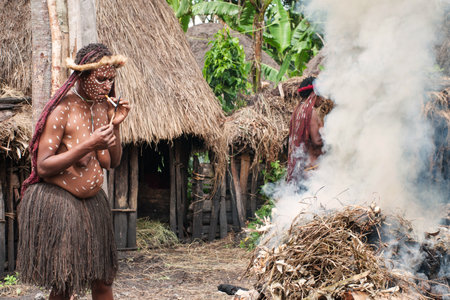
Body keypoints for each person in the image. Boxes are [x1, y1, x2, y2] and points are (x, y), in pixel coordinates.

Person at [18, 43, 130, 300]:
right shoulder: (63, 109)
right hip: (61, 204)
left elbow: (111, 162)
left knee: (103, 281)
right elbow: (43, 166)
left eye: (111, 80)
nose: (107, 86)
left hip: (93, 206)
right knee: (64, 283)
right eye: (100, 79)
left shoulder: (103, 109)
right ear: (81, 76)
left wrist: (117, 126)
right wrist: (88, 144)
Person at [286, 76, 325, 183]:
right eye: (320, 95)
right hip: (312, 169)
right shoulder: (311, 113)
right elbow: (317, 141)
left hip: (300, 168)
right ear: (314, 94)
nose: (322, 99)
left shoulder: (297, 111)